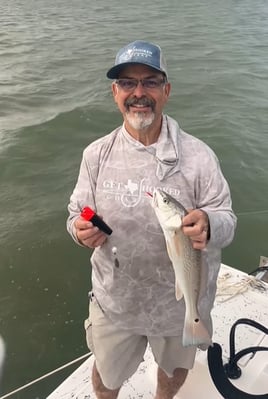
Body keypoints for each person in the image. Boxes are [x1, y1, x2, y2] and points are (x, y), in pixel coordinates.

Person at [67, 40, 237, 399]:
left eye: (150, 82)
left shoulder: (199, 156)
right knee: (106, 376)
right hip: (116, 302)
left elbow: (227, 220)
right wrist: (79, 231)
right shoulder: (95, 155)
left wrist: (209, 223)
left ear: (166, 90)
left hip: (179, 308)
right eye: (128, 83)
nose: (138, 93)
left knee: (174, 371)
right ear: (115, 92)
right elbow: (75, 214)